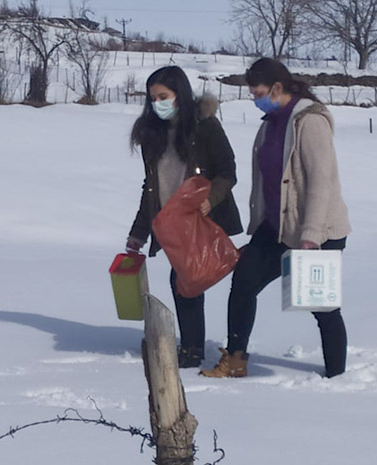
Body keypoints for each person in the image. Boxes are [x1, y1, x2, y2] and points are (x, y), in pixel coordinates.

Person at [201, 58, 352, 379]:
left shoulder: (309, 121)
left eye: (258, 93)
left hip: (318, 230)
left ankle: (337, 376)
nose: (255, 99)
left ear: (277, 88)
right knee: (244, 283)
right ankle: (235, 360)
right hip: (276, 227)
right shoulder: (270, 123)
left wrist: (311, 234)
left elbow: (321, 181)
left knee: (321, 307)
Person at [126, 66, 243, 368]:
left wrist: (210, 198)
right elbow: (150, 188)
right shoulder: (151, 133)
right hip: (170, 223)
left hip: (200, 219)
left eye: (163, 96)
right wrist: (138, 233)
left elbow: (228, 171)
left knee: (184, 280)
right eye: (152, 98)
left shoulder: (205, 127)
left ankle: (193, 351)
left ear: (180, 94)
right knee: (185, 281)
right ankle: (193, 347)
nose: (157, 103)